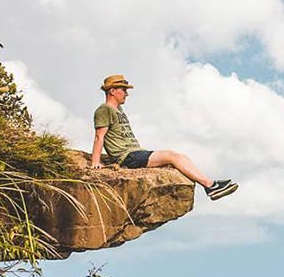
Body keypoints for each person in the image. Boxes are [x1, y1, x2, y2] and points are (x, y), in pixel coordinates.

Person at [90, 74, 238, 200]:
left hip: (135, 153)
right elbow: (99, 137)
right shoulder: (104, 110)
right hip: (128, 157)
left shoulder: (119, 110)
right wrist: (95, 162)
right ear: (113, 91)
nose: (127, 94)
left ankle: (210, 184)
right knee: (172, 156)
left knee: (180, 156)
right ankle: (210, 186)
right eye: (123, 90)